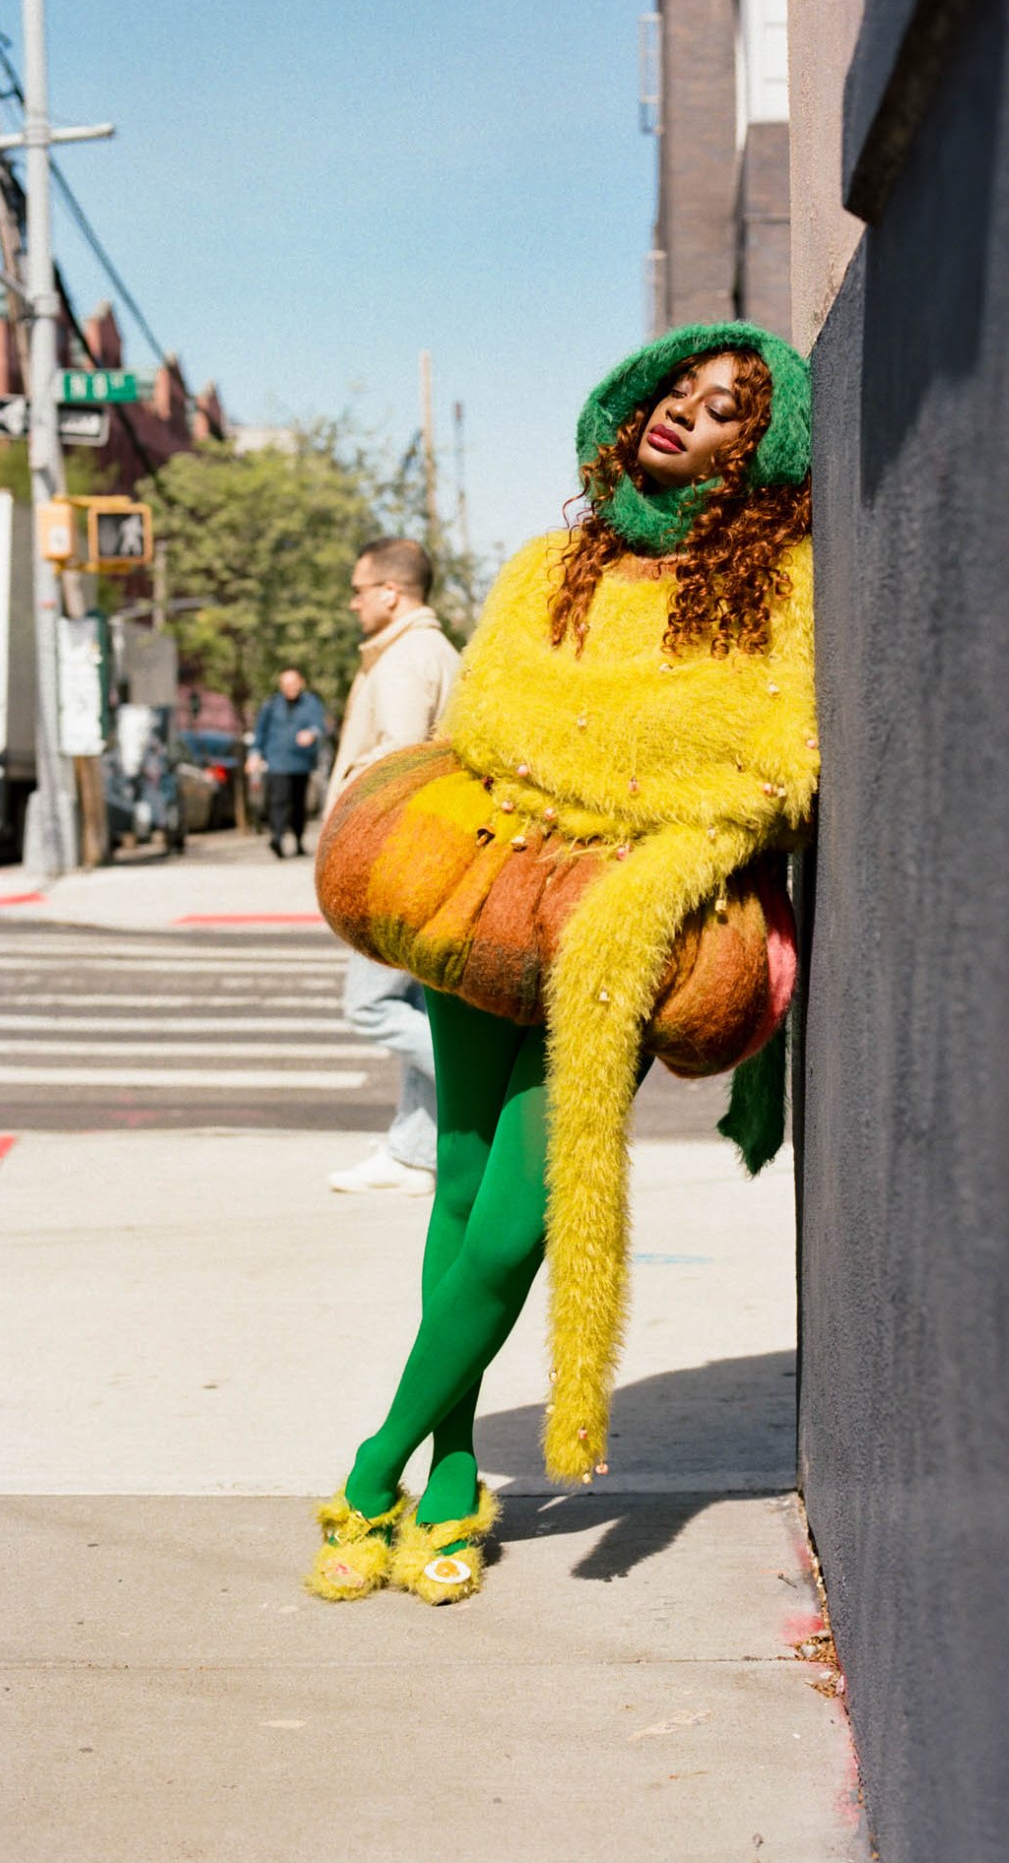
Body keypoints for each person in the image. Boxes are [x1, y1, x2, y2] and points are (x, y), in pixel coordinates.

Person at [304, 322, 816, 1607]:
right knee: (461, 1180)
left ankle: (370, 1465)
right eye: (675, 395)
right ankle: (456, 1469)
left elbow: (765, 753)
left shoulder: (779, 585)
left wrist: (589, 766)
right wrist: (633, 761)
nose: (680, 419)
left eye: (719, 413)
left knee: (526, 1214)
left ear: (756, 454)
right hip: (487, 885)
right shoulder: (553, 562)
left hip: (625, 925)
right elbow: (492, 713)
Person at [325, 537, 462, 1198]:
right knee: (412, 1005)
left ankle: (476, 1089)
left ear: (391, 592)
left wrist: (367, 866)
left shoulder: (405, 660)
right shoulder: (419, 651)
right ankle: (415, 1153)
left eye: (358, 589)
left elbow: (400, 773)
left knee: (371, 1006)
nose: (351, 602)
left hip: (398, 865)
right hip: (422, 863)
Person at [248, 669, 328, 857]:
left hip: (301, 763)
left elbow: (320, 726)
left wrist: (312, 734)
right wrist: (254, 754)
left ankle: (299, 839)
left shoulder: (311, 703)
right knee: (277, 801)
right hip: (276, 761)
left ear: (301, 683)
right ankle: (277, 838)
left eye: (292, 684)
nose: (289, 688)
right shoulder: (272, 705)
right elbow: (260, 731)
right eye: (285, 685)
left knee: (298, 804)